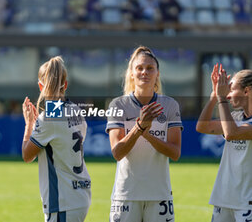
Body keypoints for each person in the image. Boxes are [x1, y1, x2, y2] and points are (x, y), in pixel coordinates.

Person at [106, 46, 182, 222]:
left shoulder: (170, 106)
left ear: (157, 74)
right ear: (131, 74)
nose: (144, 72)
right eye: (139, 68)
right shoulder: (118, 105)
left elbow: (175, 153)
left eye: (150, 68)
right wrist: (139, 128)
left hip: (159, 194)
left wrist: (147, 134)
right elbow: (117, 152)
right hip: (126, 195)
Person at [21, 56, 91, 222]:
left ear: (40, 86)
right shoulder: (76, 110)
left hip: (63, 201)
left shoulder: (49, 117)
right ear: (65, 85)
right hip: (80, 195)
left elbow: (27, 156)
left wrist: (29, 124)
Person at [196, 64, 252, 222]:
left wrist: (221, 99)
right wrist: (214, 96)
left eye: (232, 90)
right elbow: (202, 126)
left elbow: (231, 133)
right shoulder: (235, 117)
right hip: (224, 199)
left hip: (247, 202)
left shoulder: (234, 122)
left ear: (246, 91)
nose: (227, 95)